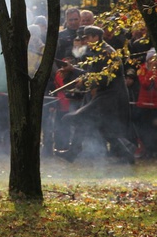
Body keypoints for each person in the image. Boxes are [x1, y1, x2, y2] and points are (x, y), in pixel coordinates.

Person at [56, 26, 136, 164]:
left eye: (87, 37)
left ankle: (74, 151)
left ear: (96, 37)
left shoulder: (106, 53)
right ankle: (127, 155)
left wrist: (85, 80)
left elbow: (104, 78)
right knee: (105, 129)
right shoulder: (98, 52)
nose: (84, 40)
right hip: (104, 95)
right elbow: (92, 74)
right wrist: (73, 70)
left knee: (74, 118)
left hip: (111, 97)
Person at [133, 49, 157, 159]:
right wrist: (151, 71)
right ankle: (145, 149)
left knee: (156, 129)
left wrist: (155, 72)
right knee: (144, 128)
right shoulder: (142, 69)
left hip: (156, 105)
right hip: (143, 104)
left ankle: (155, 150)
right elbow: (145, 83)